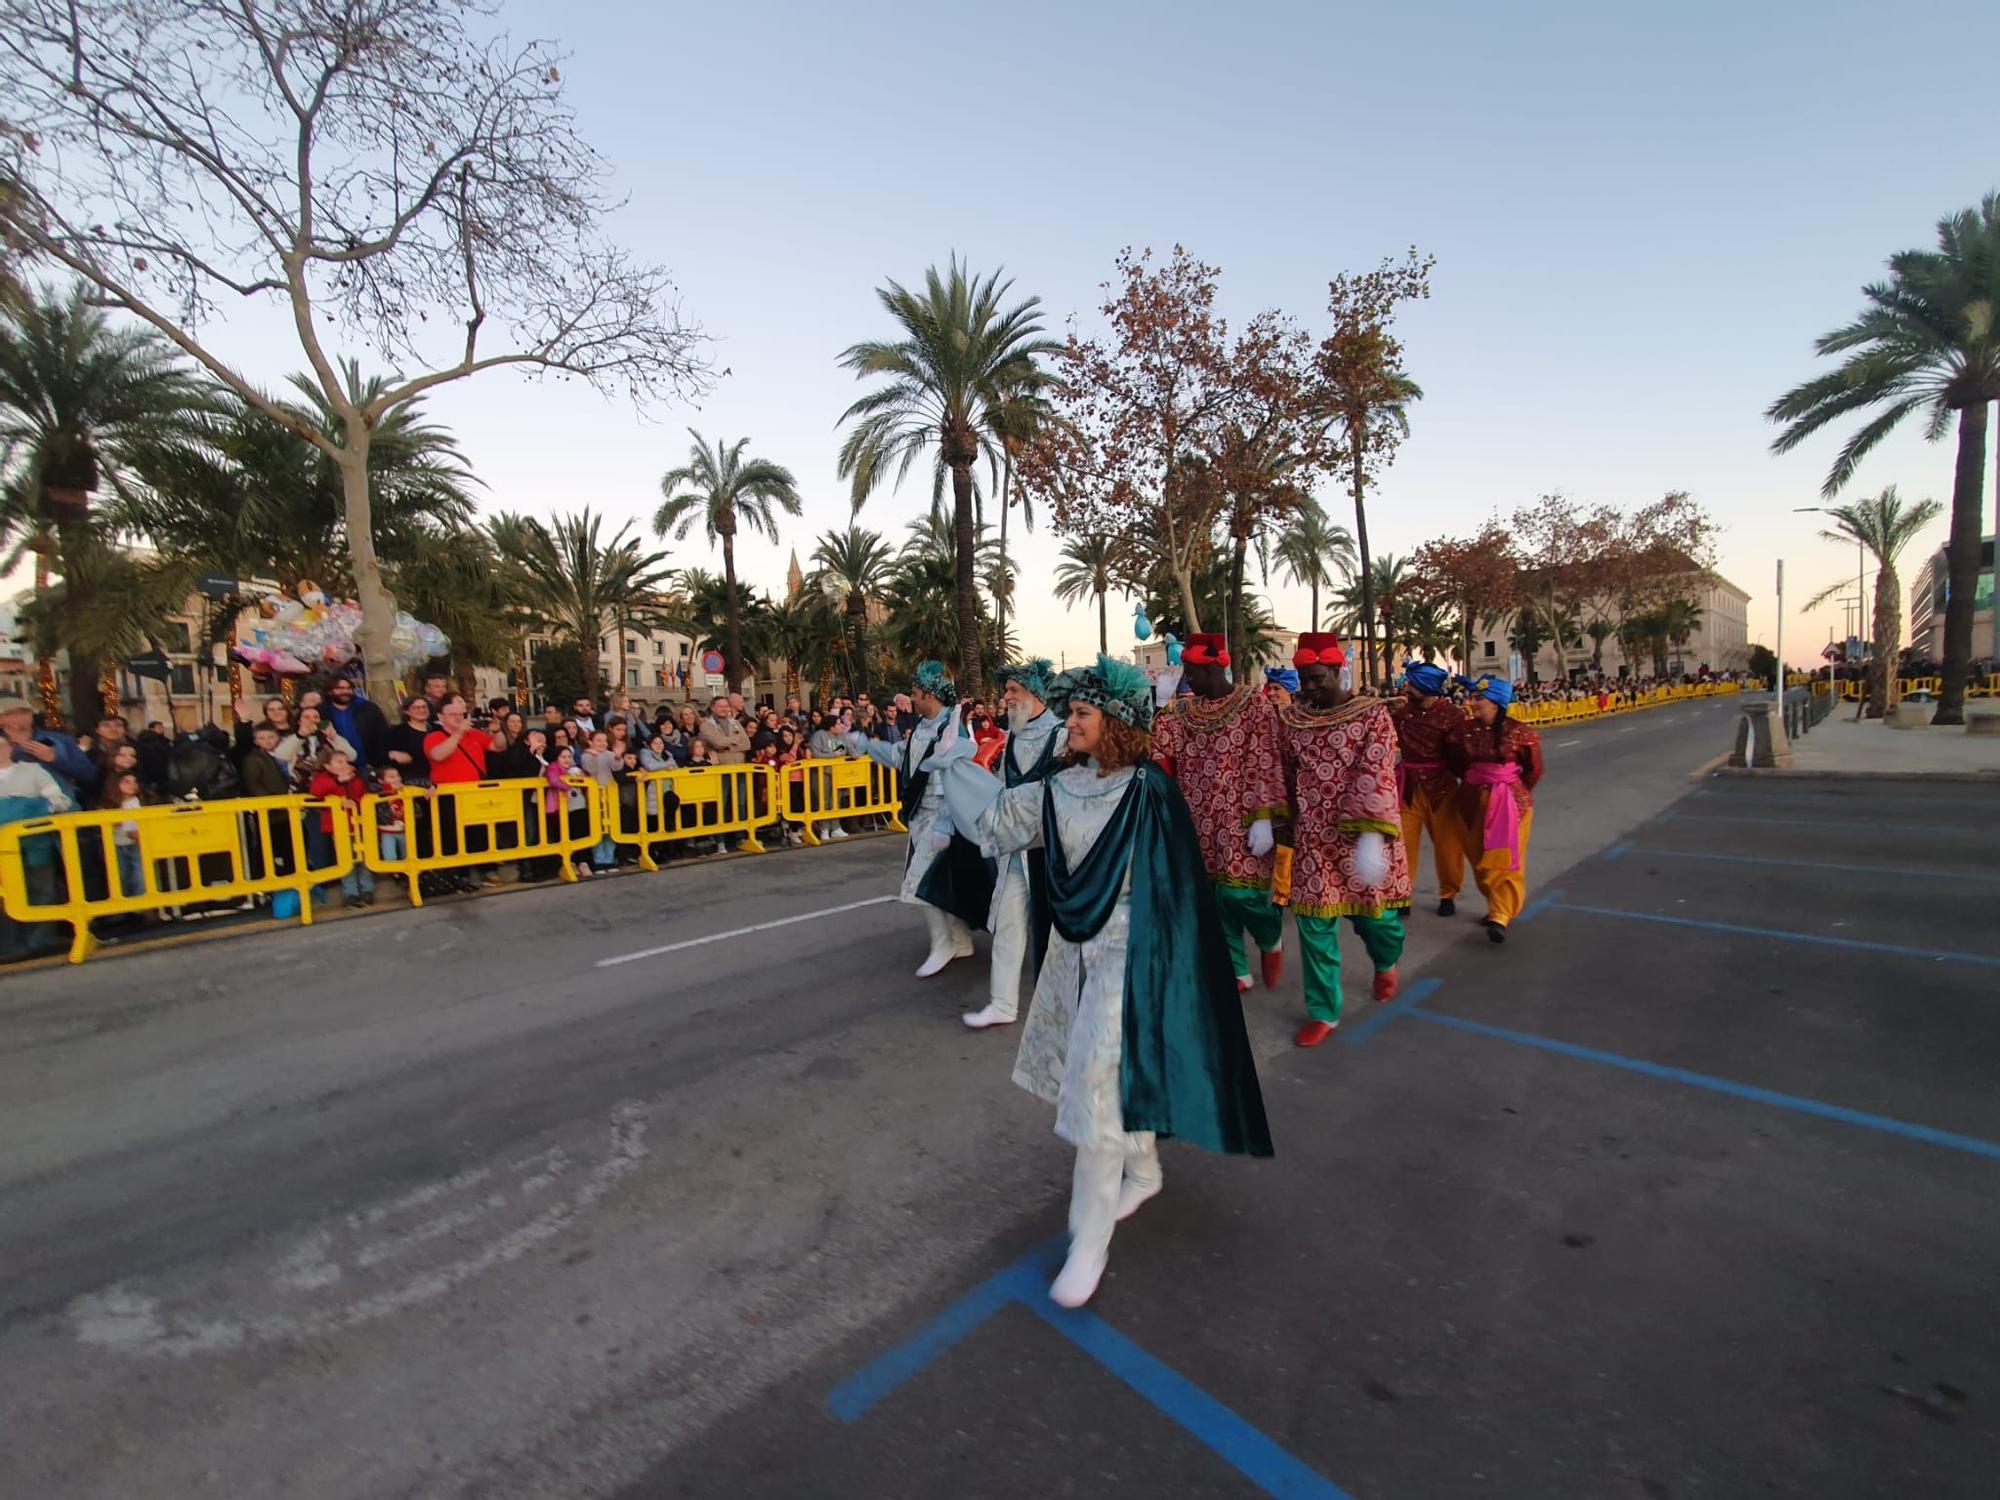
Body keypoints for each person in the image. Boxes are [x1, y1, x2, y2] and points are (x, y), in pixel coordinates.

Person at [945, 655, 1272, 1308]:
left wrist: (1167, 973)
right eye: (1072, 713)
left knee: (1096, 1084)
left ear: (1117, 721)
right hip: (1074, 956)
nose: (1071, 723)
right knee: (1103, 1077)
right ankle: (1144, 1168)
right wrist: (950, 765)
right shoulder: (1059, 787)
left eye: (1083, 714)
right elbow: (994, 824)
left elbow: (1178, 892)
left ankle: (1088, 1239)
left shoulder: (1150, 792)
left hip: (1135, 956)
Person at [1272, 635, 1412, 1048]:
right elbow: (1286, 772)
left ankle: (1386, 959)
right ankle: (1324, 1011)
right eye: (1303, 680)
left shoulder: (1372, 717)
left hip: (1360, 835)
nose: (1310, 688)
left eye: (1316, 679)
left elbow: (1378, 771)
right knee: (1314, 925)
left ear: (1337, 671)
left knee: (1377, 921)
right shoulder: (1293, 721)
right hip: (1313, 838)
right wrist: (1281, 824)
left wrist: (1369, 835)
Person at [1148, 632, 1288, 993]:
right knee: (1212, 897)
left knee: (1240, 895)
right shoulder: (1184, 711)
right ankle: (1236, 968)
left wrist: (1263, 818)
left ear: (1212, 667)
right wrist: (1162, 702)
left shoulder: (1254, 705)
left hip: (1242, 819)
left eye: (1192, 671)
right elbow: (1162, 746)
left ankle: (1270, 935)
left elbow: (1267, 759)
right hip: (1198, 818)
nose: (1188, 678)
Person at [846, 660, 991, 977]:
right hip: (920, 818)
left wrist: (946, 822)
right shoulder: (922, 729)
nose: (910, 698)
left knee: (920, 881)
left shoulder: (953, 729)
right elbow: (900, 757)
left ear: (928, 695)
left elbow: (958, 775)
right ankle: (960, 940)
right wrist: (868, 745)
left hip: (943, 819)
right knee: (942, 880)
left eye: (914, 693)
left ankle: (943, 945)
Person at [962, 658, 1066, 1032]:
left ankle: (1062, 1002)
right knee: (1008, 923)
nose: (1005, 697)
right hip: (1014, 851)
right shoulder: (1015, 735)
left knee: (1059, 931)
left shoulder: (1062, 734)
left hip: (1049, 851)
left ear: (1033, 694)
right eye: (1006, 691)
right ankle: (1003, 1003)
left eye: (1012, 691)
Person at [1443, 675, 1544, 944]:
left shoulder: (1520, 733)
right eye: (1473, 697)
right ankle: (1495, 903)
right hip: (1470, 802)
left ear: (1496, 704)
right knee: (1479, 860)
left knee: (1504, 858)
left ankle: (1500, 914)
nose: (1472, 703)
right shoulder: (1462, 732)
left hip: (1511, 805)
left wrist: (1510, 792)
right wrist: (1477, 781)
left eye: (1479, 699)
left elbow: (1534, 770)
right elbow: (1454, 762)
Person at [1391, 662, 1468, 917]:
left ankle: (1449, 894)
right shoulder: (1401, 713)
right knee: (1401, 844)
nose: (1407, 687)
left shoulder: (1454, 716)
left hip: (1442, 787)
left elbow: (1461, 755)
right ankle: (1401, 893)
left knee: (1448, 846)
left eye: (1412, 683)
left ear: (1427, 686)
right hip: (1409, 786)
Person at [0, 716, 77, 959]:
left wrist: (31, 807)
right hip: (3, 850)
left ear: (10, 747)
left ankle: (40, 940)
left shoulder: (34, 770)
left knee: (40, 890)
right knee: (5, 897)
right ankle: (9, 944)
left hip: (35, 843)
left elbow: (60, 800)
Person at [307, 749, 376, 907]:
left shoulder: (356, 779)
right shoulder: (322, 778)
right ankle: (351, 892)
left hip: (359, 824)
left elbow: (363, 794)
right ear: (328, 766)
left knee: (365, 858)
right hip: (339, 827)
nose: (345, 765)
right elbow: (317, 792)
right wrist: (339, 782)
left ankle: (367, 889)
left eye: (346, 762)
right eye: (339, 762)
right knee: (346, 860)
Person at [0, 695, 97, 804]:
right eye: (10, 714)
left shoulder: (58, 740)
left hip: (60, 809)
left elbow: (89, 774)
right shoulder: (3, 744)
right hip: (9, 813)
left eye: (24, 712)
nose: (19, 718)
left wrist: (55, 758)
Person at [324, 675, 390, 770]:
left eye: (348, 688)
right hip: (337, 768)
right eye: (340, 688)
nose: (345, 691)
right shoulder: (322, 711)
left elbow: (383, 735)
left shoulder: (368, 708)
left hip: (369, 765)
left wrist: (379, 759)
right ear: (330, 692)